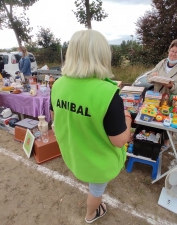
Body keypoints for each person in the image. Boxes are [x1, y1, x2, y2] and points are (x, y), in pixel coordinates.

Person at [51, 30, 131, 223]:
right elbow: (120, 141)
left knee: (93, 183)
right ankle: (91, 214)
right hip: (97, 160)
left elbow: (56, 118)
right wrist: (127, 117)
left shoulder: (58, 84)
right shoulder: (109, 93)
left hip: (74, 154)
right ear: (103, 55)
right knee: (96, 190)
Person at [147, 39, 177, 148]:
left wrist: (172, 86)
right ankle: (153, 139)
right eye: (172, 51)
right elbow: (149, 77)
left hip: (173, 101)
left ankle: (166, 141)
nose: (173, 54)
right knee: (155, 119)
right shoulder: (162, 63)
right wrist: (153, 76)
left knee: (167, 122)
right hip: (157, 97)